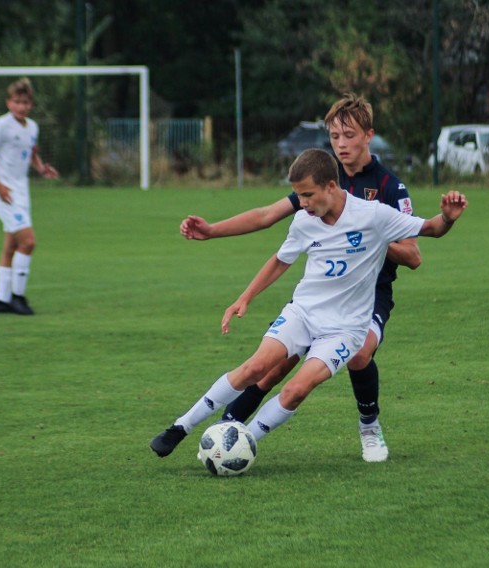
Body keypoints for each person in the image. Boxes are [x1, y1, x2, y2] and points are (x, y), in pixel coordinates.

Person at [151, 148, 467, 458]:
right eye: (298, 196)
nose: (302, 203)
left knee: (295, 391)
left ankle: (243, 443)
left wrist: (448, 218)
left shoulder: (373, 215)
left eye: (307, 195)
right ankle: (180, 427)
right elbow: (279, 261)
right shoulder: (304, 220)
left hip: (346, 330)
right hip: (302, 314)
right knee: (255, 368)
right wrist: (244, 298)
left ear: (332, 186)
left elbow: (430, 229)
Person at [179, 94, 419, 462]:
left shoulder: (388, 187)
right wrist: (211, 231)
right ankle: (227, 434)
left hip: (367, 294)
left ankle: (369, 425)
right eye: (334, 136)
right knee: (272, 367)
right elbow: (264, 215)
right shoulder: (319, 181)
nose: (341, 144)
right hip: (318, 295)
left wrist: (369, 236)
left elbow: (413, 255)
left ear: (368, 135)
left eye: (349, 135)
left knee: (359, 353)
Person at [0, 77, 59, 315]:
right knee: (28, 242)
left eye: (25, 102)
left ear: (30, 105)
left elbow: (30, 153)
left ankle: (1, 300)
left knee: (11, 246)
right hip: (5, 193)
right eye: (16, 101)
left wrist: (41, 168)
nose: (20, 106)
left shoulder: (32, 127)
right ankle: (18, 297)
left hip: (22, 192)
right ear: (8, 103)